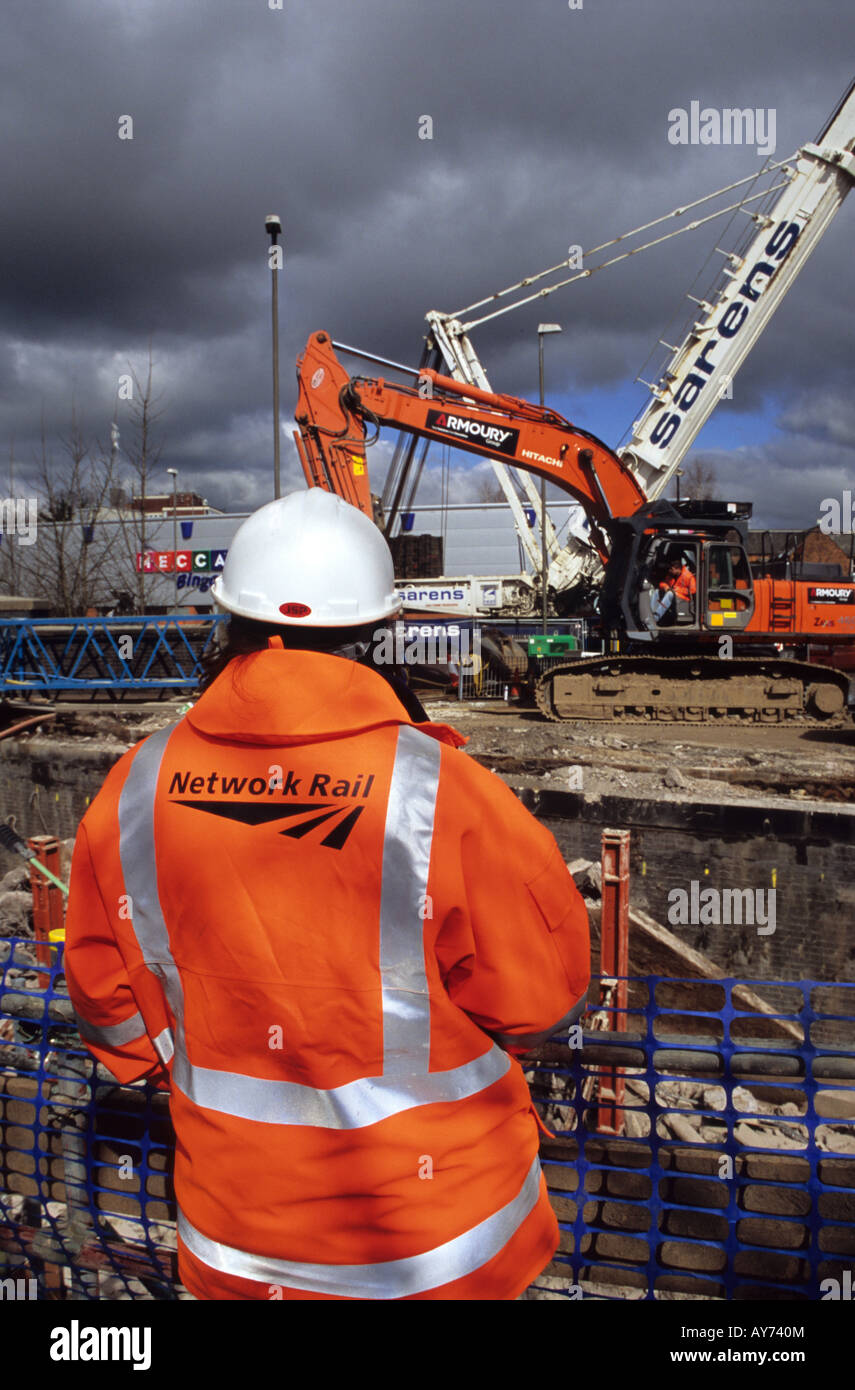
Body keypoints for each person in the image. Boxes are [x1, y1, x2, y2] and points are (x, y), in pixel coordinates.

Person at [64, 488, 590, 1301]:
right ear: (372, 634)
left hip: (240, 1248)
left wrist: (187, 1058)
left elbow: (113, 1014)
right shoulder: (447, 794)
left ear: (231, 621)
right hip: (442, 1250)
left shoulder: (135, 789)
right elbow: (540, 1000)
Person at [651, 557, 696, 623]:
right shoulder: (672, 575)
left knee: (670, 594)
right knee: (657, 591)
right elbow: (662, 583)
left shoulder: (688, 576)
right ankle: (652, 613)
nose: (669, 571)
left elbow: (693, 590)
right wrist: (666, 587)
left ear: (676, 569)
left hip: (684, 598)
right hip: (674, 594)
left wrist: (678, 590)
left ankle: (656, 617)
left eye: (671, 569)